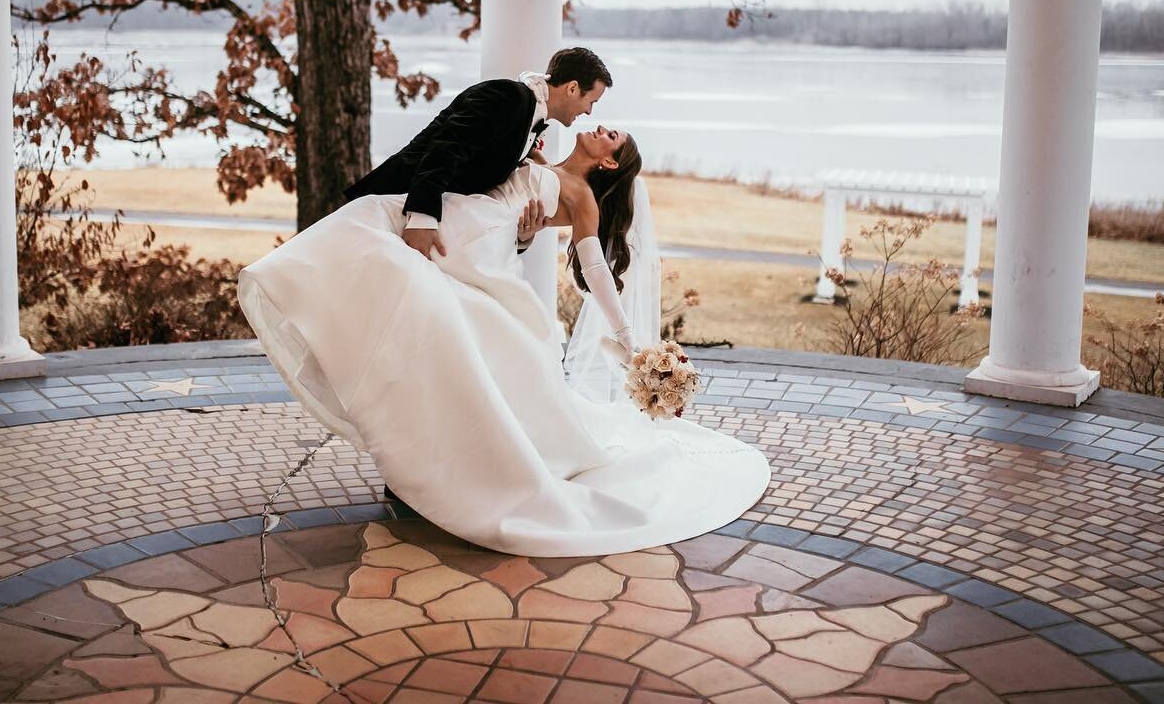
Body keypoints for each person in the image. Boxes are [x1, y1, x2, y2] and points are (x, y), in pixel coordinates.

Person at [238, 120, 771, 556]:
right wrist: (521, 233)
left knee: (480, 345)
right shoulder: (535, 159)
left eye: (615, 138)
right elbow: (495, 192)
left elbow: (594, 268)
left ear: (609, 162)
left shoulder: (583, 195)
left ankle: (459, 465)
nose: (605, 128)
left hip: (477, 253)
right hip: (466, 233)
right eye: (607, 125)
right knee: (370, 241)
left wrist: (631, 341)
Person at [345, 46, 612, 260]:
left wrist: (522, 237)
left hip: (446, 227)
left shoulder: (530, 118)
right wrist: (422, 219)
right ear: (573, 88)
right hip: (397, 207)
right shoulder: (506, 96)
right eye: (592, 102)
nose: (589, 112)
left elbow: (491, 191)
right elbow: (446, 148)